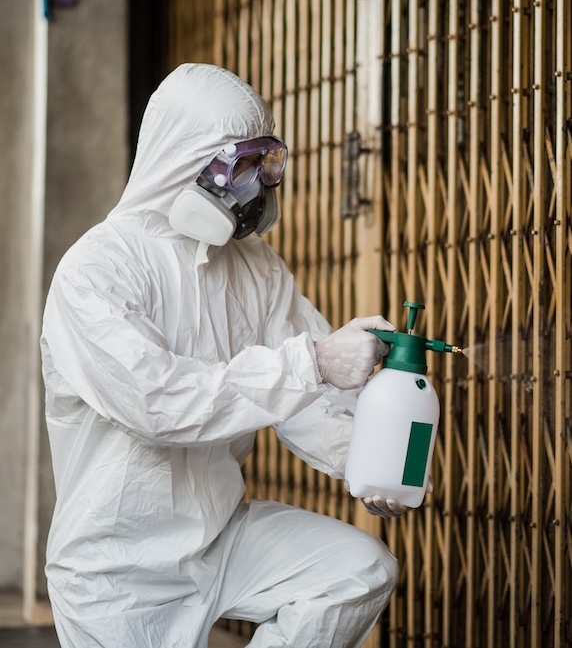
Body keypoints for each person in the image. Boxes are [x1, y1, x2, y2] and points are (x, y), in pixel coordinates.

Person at [40, 63, 420, 648]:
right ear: (183, 159)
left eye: (264, 167)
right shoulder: (96, 270)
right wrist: (312, 361)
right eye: (241, 166)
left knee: (357, 571)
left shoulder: (255, 266)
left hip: (220, 535)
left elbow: (307, 398)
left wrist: (365, 463)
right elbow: (160, 404)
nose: (256, 187)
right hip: (115, 568)